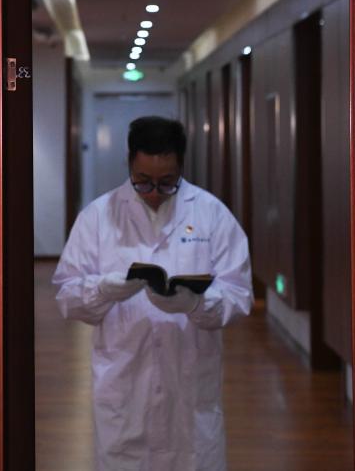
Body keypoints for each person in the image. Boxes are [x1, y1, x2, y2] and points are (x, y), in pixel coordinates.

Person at [53, 116, 253, 471]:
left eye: (167, 182)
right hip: (123, 385)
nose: (154, 192)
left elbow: (239, 295)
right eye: (143, 181)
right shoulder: (97, 217)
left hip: (189, 384)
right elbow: (68, 296)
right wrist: (104, 289)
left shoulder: (212, 214)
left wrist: (196, 303)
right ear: (129, 163)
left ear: (181, 167)